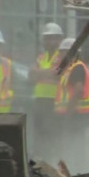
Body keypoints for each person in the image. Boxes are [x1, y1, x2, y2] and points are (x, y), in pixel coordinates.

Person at [54, 37, 89, 170]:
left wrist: (68, 113)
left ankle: (75, 169)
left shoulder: (76, 67)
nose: (60, 55)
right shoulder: (71, 68)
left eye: (62, 52)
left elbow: (78, 90)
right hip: (78, 113)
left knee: (72, 143)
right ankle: (75, 168)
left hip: (77, 113)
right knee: (75, 143)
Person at [28, 23, 65, 159]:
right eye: (47, 38)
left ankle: (53, 160)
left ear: (60, 39)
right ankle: (41, 160)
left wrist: (39, 73)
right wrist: (47, 72)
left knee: (53, 135)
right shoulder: (41, 57)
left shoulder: (62, 56)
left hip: (54, 102)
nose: (50, 41)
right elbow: (31, 75)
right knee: (39, 134)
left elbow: (57, 74)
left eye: (54, 38)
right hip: (40, 101)